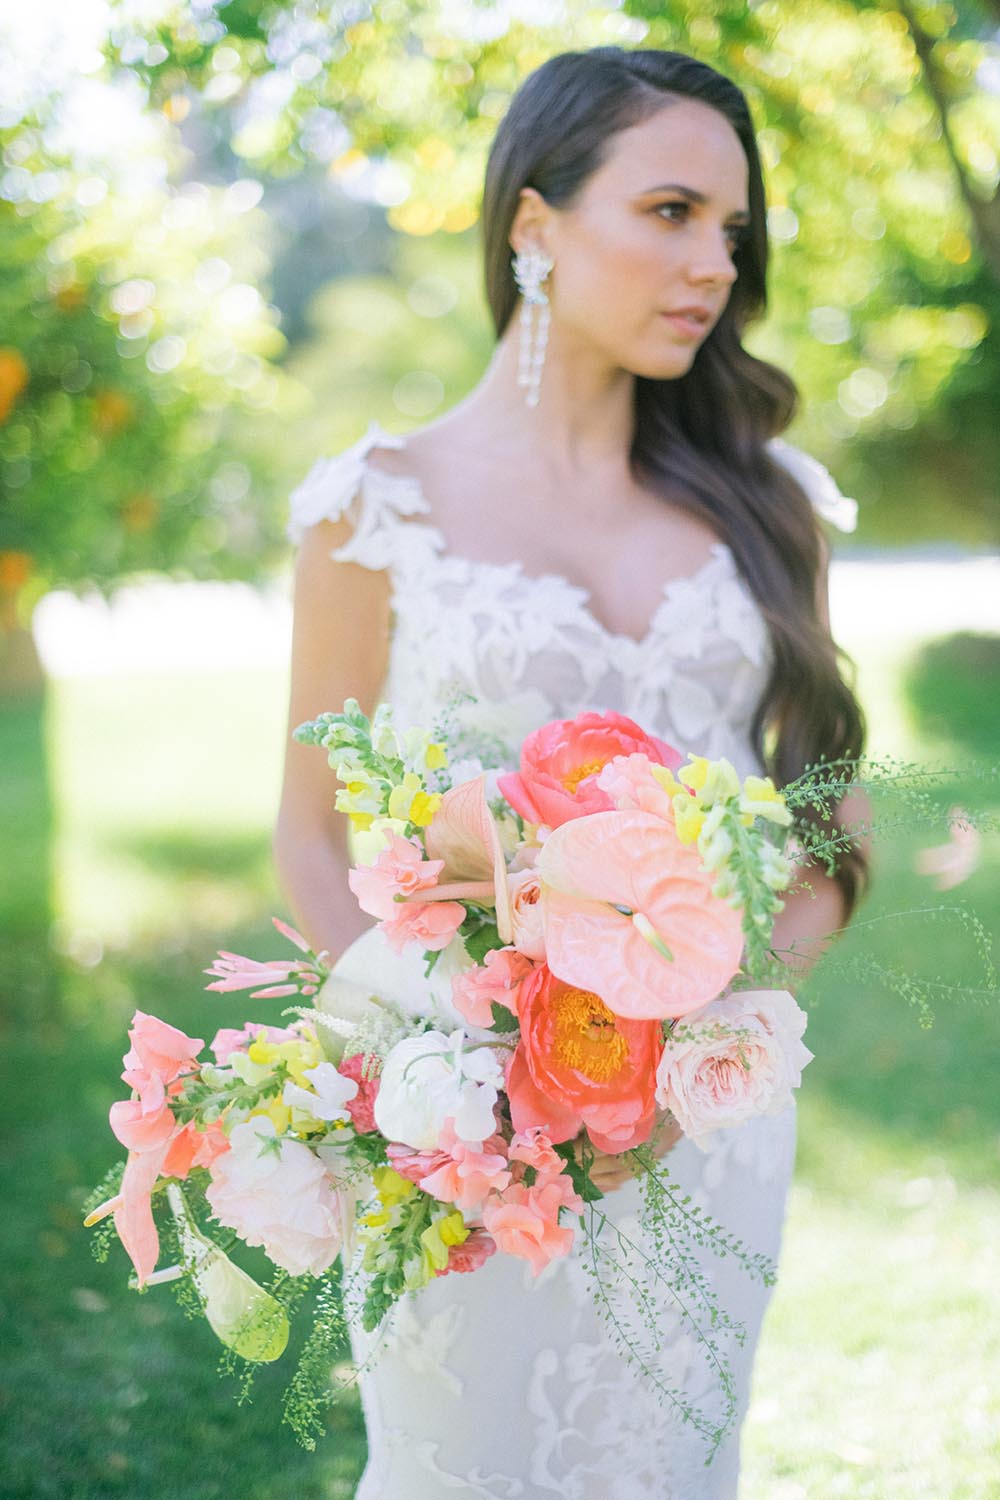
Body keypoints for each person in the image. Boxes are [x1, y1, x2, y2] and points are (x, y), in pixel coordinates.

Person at [274, 45, 868, 1500]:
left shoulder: (772, 503)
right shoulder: (376, 507)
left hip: (710, 1114)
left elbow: (832, 810)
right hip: (465, 1128)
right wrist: (438, 1079)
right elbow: (308, 829)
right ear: (535, 227)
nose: (713, 262)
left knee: (673, 1455)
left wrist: (714, 1033)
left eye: (731, 230)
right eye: (669, 210)